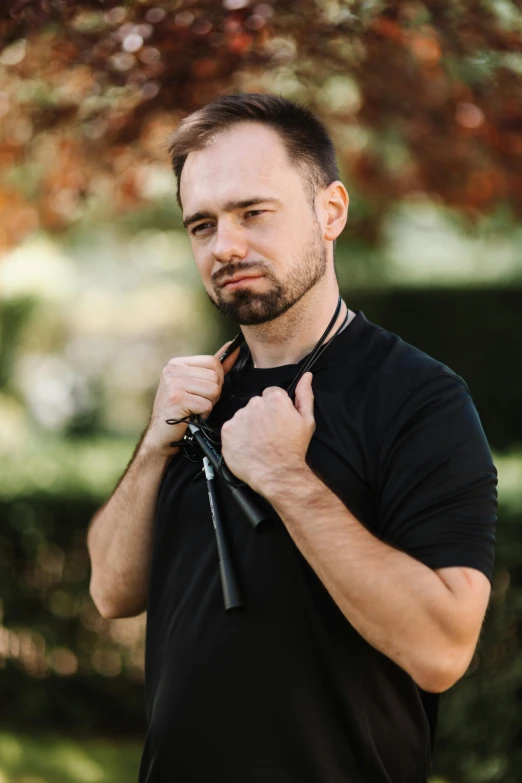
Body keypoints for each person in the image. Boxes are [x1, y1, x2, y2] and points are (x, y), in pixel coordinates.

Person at [87, 94, 497, 783]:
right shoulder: (197, 392)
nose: (226, 245)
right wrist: (156, 443)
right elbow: (110, 591)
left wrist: (286, 477)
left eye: (254, 212)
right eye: (202, 224)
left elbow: (442, 648)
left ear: (329, 211)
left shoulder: (419, 398)